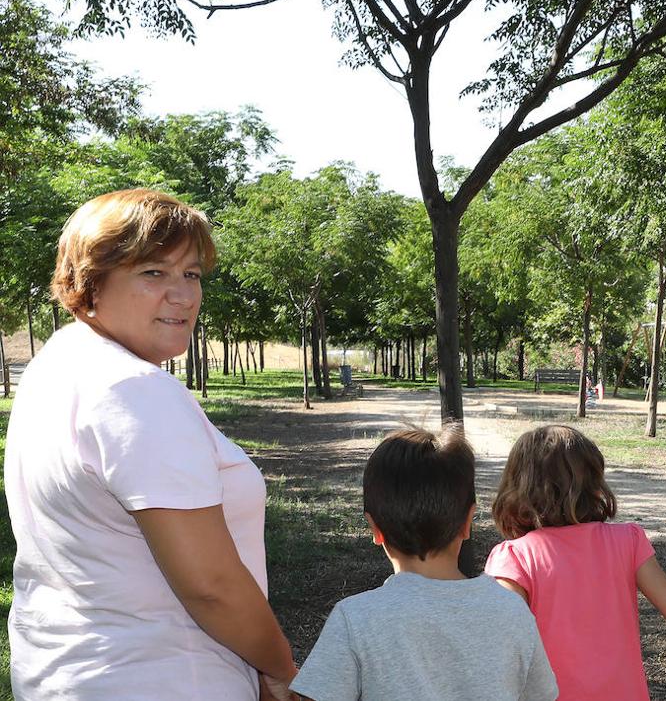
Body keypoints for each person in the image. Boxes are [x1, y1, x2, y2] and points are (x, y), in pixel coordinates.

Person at [5, 188, 297, 700]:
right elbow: (211, 585)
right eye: (153, 273)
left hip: (68, 671)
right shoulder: (133, 390)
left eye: (191, 274)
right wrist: (281, 669)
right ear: (90, 283)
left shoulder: (58, 362)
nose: (183, 295)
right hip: (162, 677)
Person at [290, 427, 558, 701]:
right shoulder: (512, 610)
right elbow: (541, 694)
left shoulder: (355, 618)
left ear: (375, 529)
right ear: (468, 522)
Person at [484, 424, 666, 701]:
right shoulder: (627, 541)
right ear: (594, 483)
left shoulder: (514, 558)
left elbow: (501, 644)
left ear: (516, 486)